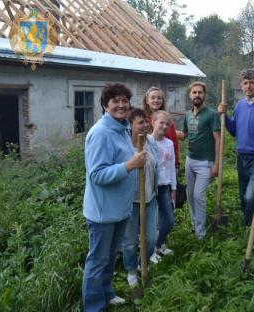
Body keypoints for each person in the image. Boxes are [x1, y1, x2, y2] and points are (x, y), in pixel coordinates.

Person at [82, 83, 145, 311]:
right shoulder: (100, 133)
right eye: (115, 101)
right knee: (97, 262)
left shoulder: (121, 128)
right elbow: (97, 174)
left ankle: (107, 293)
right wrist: (130, 165)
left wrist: (133, 158)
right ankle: (93, 306)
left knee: (109, 259)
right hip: (102, 213)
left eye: (124, 101)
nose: (121, 105)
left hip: (119, 209)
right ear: (105, 105)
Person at [218, 69, 254, 226]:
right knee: (243, 195)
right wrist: (224, 116)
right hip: (241, 156)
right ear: (241, 86)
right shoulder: (240, 105)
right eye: (245, 83)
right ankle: (248, 225)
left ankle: (250, 226)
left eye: (252, 82)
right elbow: (234, 131)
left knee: (251, 196)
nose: (248, 86)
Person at [122, 108, 160, 288]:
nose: (145, 125)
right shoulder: (124, 146)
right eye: (140, 122)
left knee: (151, 239)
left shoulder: (151, 143)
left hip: (150, 198)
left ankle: (142, 262)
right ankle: (131, 270)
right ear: (130, 126)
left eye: (146, 121)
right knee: (130, 242)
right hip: (131, 201)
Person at [180, 81, 220, 239]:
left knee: (198, 196)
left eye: (200, 92)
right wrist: (161, 129)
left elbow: (218, 140)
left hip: (205, 163)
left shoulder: (211, 115)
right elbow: (183, 136)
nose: (197, 95)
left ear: (204, 95)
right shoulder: (188, 115)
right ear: (190, 95)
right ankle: (195, 224)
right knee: (190, 195)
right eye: (194, 92)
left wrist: (217, 164)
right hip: (190, 160)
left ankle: (201, 234)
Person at [149, 111, 177, 259]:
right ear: (153, 122)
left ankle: (159, 244)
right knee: (152, 221)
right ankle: (150, 251)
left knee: (168, 219)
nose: (165, 126)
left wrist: (174, 188)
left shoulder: (169, 143)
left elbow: (172, 166)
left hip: (165, 186)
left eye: (167, 124)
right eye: (161, 122)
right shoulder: (147, 142)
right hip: (150, 188)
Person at [142, 86, 181, 168]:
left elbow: (174, 142)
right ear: (147, 101)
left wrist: (176, 163)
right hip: (148, 164)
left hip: (166, 163)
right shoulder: (142, 119)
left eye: (159, 98)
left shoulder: (167, 119)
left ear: (162, 101)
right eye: (153, 98)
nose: (156, 100)